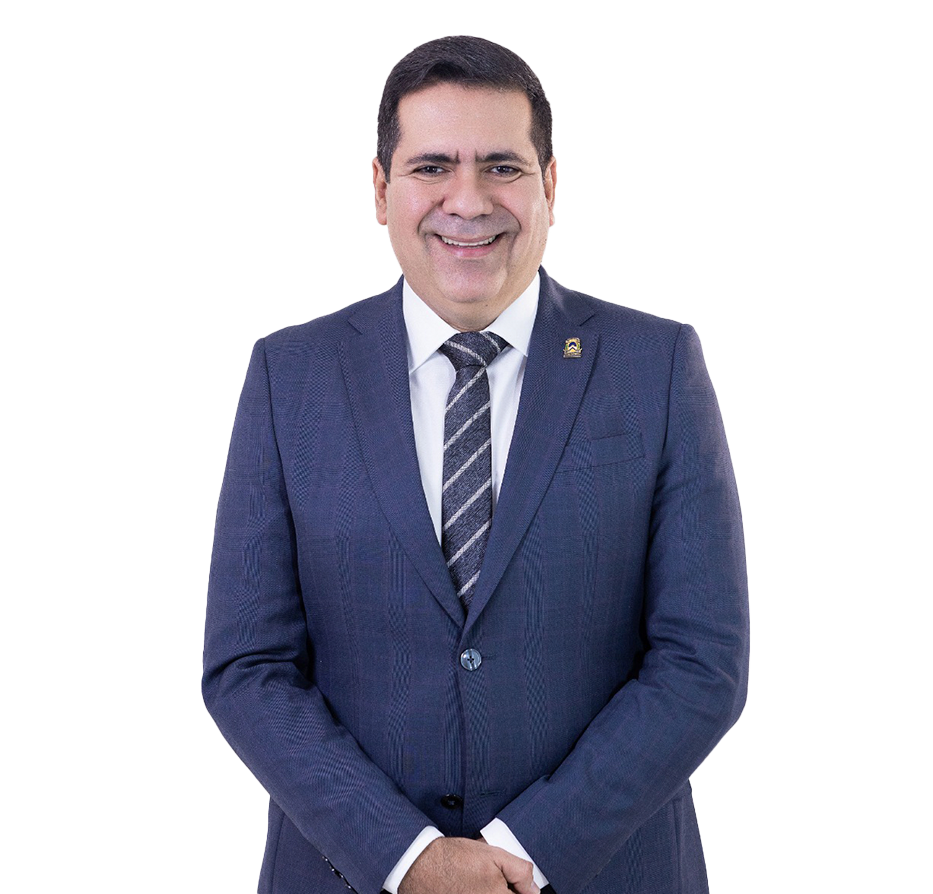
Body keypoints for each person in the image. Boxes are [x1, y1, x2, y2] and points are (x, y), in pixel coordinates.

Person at [202, 34, 749, 894]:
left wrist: (523, 852)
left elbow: (701, 660)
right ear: (380, 189)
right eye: (431, 167)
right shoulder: (290, 375)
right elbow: (247, 667)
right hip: (347, 873)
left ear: (549, 186)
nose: (467, 201)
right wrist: (406, 855)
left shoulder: (656, 365)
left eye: (501, 167)